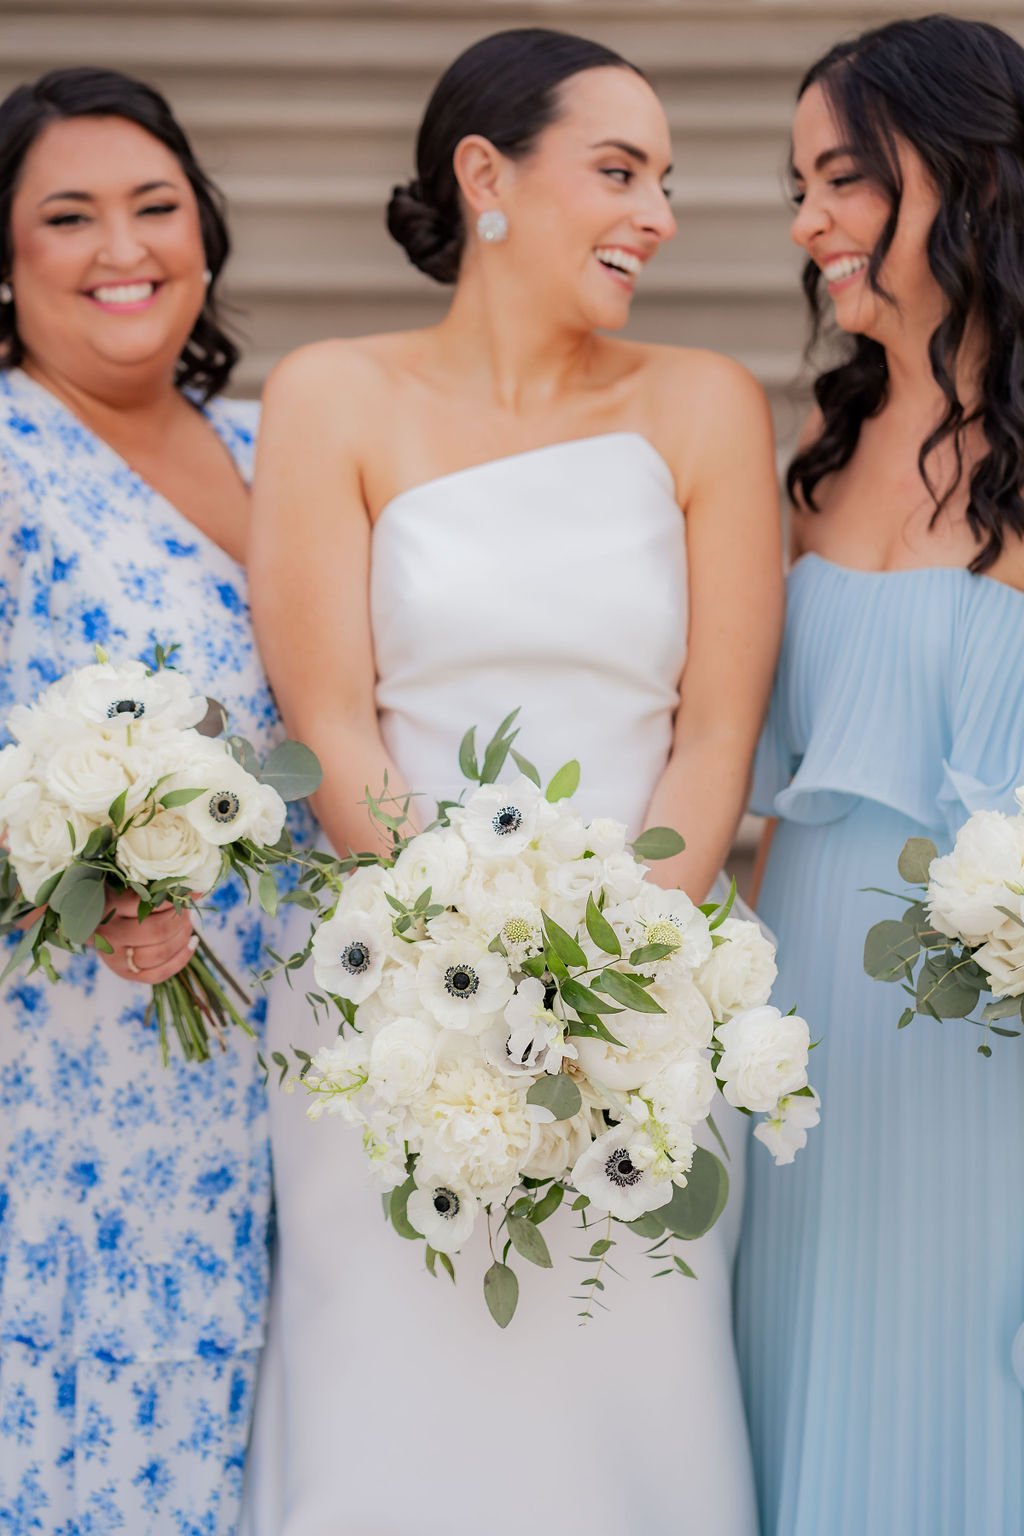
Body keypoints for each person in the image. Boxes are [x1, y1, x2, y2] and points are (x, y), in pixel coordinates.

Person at [242, 28, 781, 1535]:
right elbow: (333, 724)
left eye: (666, 180)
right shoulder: (331, 397)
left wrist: (604, 978)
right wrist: (464, 970)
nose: (660, 214)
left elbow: (714, 739)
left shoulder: (704, 404)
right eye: (619, 171)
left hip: (645, 1007)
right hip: (386, 1012)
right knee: (392, 1420)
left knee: (631, 1409)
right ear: (487, 174)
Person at [0, 67, 308, 1534]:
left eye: (155, 207)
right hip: (62, 1073)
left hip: (263, 1056)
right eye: (68, 216)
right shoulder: (6, 453)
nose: (122, 248)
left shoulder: (276, 445)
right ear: (7, 262)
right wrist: (81, 866)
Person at [734, 17, 1024, 1535]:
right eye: (799, 184)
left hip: (995, 1045)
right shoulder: (815, 454)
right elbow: (769, 807)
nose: (807, 225)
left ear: (966, 176)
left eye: (844, 179)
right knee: (796, 1372)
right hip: (807, 1032)